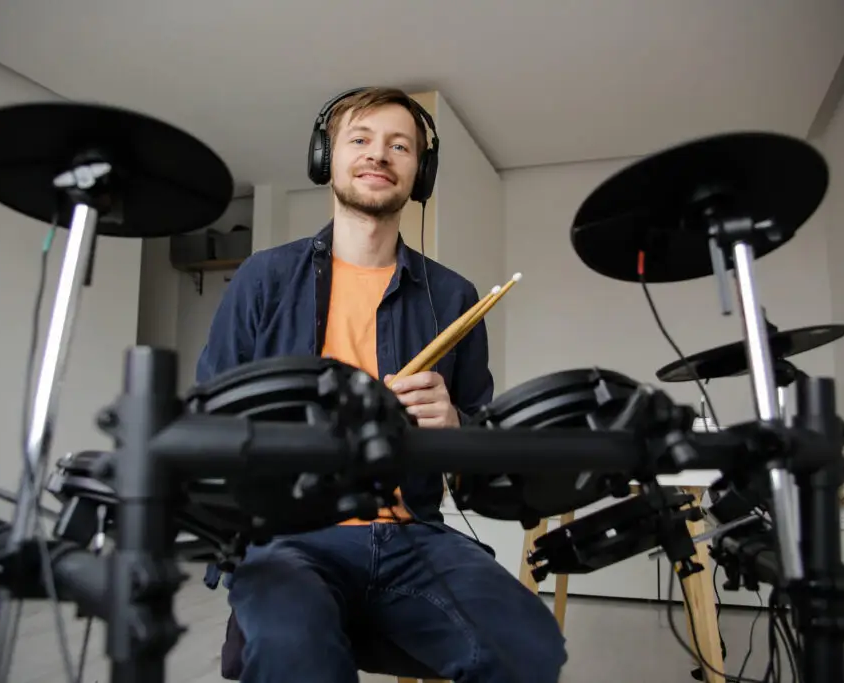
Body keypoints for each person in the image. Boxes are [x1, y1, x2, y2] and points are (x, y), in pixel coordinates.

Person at [195, 87, 567, 683]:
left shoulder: (451, 295)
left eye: (401, 146)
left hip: (411, 533)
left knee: (526, 647)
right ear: (327, 158)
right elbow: (209, 419)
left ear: (420, 173)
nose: (380, 155)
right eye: (360, 139)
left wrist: (453, 428)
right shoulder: (263, 277)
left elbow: (481, 448)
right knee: (298, 653)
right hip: (289, 534)